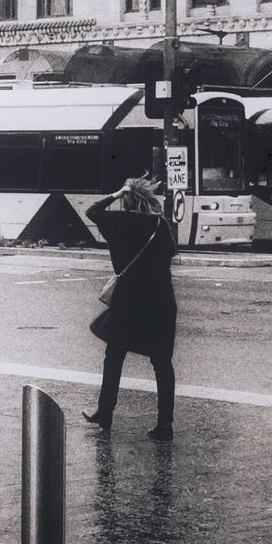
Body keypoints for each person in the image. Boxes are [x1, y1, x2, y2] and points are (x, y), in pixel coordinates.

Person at [83, 177, 178, 442]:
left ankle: (105, 412)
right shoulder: (160, 225)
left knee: (114, 356)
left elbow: (92, 212)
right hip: (160, 301)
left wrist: (116, 192)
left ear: (127, 200)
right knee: (162, 363)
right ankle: (165, 424)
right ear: (148, 199)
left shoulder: (118, 223)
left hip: (128, 301)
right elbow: (171, 251)